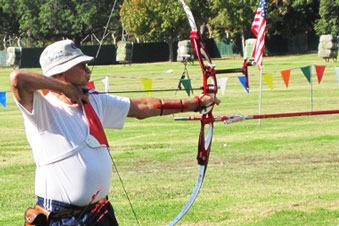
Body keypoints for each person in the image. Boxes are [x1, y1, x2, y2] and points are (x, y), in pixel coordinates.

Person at [10, 39, 220, 226]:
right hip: (61, 217)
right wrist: (65, 89)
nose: (88, 69)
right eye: (81, 65)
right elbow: (18, 79)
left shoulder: (93, 100)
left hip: (99, 214)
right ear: (61, 72)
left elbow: (142, 107)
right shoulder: (41, 109)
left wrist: (194, 103)